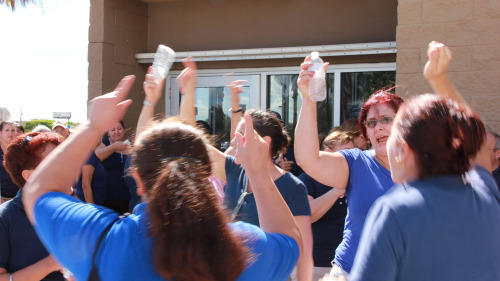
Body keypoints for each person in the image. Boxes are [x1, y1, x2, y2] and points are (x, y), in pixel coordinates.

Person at [22, 75, 303, 281]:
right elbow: (290, 240)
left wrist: (93, 126)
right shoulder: (244, 248)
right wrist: (257, 171)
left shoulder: (103, 239)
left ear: (138, 180)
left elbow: (38, 191)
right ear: (206, 175)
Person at [177, 59, 314, 281]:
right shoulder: (234, 171)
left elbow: (304, 253)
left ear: (265, 141)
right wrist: (188, 93)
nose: (233, 141)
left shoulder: (292, 187)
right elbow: (192, 145)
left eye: (240, 135)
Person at [349, 93, 500, 280]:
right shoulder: (486, 192)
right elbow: (475, 145)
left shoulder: (395, 211)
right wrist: (440, 78)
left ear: (403, 149)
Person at [295, 56, 404, 278]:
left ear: (405, 122)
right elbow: (308, 160)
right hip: (349, 272)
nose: (378, 128)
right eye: (371, 123)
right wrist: (308, 99)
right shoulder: (357, 162)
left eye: (385, 119)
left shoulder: (426, 167)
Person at [0, 131, 65, 281]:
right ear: (29, 176)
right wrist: (49, 264)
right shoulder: (5, 218)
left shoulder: (72, 209)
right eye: (53, 161)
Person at [299, 131, 351, 281]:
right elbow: (307, 215)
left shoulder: (357, 178)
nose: (352, 159)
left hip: (348, 266)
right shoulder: (308, 178)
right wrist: (337, 191)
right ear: (328, 153)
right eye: (346, 153)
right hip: (317, 264)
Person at [95, 120, 131, 213]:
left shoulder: (129, 145)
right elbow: (97, 156)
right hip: (106, 197)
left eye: (119, 129)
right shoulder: (104, 143)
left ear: (124, 129)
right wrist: (114, 147)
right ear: (108, 132)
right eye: (113, 130)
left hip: (126, 197)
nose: (116, 132)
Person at [74, 138, 106, 205]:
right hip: (91, 204)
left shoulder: (91, 155)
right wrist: (91, 208)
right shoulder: (89, 156)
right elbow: (85, 185)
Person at [0, 121, 19, 202]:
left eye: (12, 130)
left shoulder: (18, 150)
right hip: (2, 197)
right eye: (7, 130)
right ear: (0, 132)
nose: (10, 133)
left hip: (17, 197)